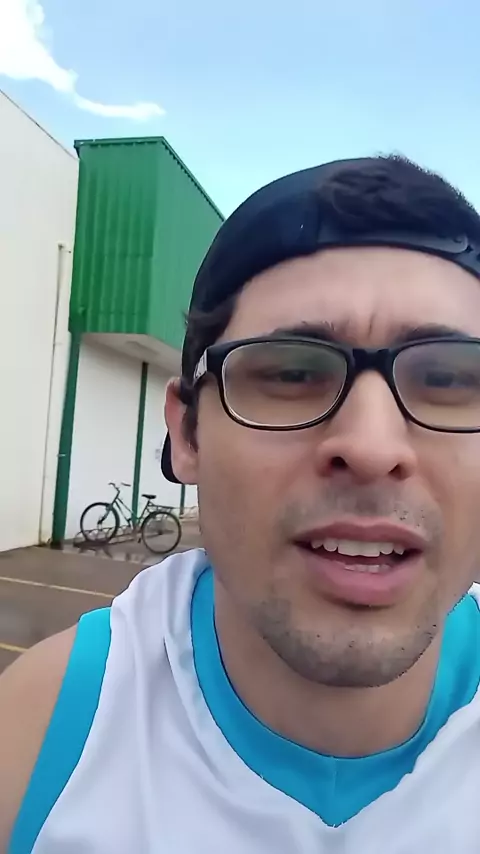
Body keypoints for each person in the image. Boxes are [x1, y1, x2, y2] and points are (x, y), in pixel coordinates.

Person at [2, 155, 480, 854]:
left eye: (450, 379)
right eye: (291, 371)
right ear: (187, 434)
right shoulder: (34, 738)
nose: (373, 447)